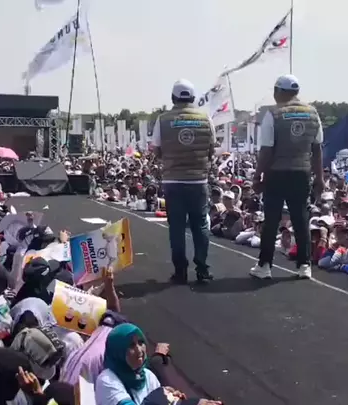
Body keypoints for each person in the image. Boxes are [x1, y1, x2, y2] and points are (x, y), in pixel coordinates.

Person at [251, 74, 325, 280]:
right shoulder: (313, 113)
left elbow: (267, 149)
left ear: (278, 91)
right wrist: (319, 178)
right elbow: (317, 149)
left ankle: (265, 265)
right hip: (301, 173)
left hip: (276, 173)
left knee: (271, 220)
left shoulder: (273, 114)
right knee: (301, 219)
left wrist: (257, 176)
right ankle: (304, 265)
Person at [151, 79, 216, 284]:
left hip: (173, 181)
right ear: (193, 98)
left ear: (173, 97)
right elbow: (211, 149)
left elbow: (157, 150)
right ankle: (202, 269)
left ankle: (180, 271)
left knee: (177, 228)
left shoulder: (163, 120)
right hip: (198, 181)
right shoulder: (205, 118)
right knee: (201, 226)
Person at [95, 323, 161, 405]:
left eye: (141, 343)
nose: (139, 350)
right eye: (131, 345)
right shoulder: (107, 379)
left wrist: (168, 397)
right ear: (118, 352)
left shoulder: (149, 376)